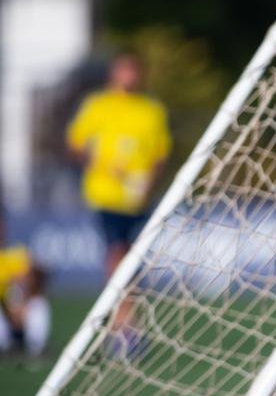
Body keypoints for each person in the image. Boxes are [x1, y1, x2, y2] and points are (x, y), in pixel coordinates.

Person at [66, 51, 170, 355]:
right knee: (117, 257)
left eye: (134, 71)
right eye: (124, 70)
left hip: (139, 200)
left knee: (132, 264)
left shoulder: (151, 110)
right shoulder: (98, 105)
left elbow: (159, 155)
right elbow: (75, 145)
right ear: (114, 73)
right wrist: (99, 163)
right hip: (107, 196)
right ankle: (124, 327)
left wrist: (148, 183)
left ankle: (122, 323)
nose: (129, 77)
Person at [0, 244, 51, 359]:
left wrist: (23, 304)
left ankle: (36, 346)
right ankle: (5, 347)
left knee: (38, 304)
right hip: (4, 310)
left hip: (23, 304)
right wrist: (8, 309)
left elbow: (39, 277)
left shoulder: (18, 253)